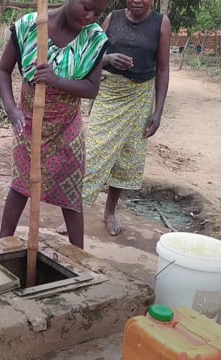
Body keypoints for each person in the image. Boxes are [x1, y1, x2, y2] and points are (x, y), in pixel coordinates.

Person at [0, 0, 111, 249]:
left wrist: (56, 80)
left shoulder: (94, 38)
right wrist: (12, 110)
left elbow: (91, 89)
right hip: (29, 123)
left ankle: (79, 258)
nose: (91, 16)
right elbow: (3, 70)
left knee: (71, 193)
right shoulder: (29, 25)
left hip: (66, 127)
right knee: (20, 185)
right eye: (87, 7)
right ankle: (2, 246)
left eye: (99, 12)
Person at [58, 0, 171, 236]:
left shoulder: (161, 24)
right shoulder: (112, 18)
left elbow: (162, 69)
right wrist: (109, 59)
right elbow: (92, 52)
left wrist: (158, 111)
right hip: (109, 93)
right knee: (94, 153)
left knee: (127, 157)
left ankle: (109, 212)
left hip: (139, 98)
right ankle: (73, 213)